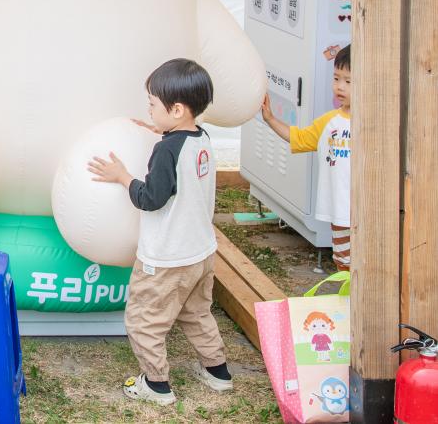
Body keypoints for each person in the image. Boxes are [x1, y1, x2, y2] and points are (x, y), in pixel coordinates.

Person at [88, 59, 232, 406]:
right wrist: (163, 132)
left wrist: (122, 175)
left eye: (153, 104)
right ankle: (218, 373)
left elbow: (150, 199)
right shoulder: (200, 137)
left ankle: (156, 384)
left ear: (177, 109)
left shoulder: (167, 149)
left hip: (167, 258)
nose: (149, 109)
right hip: (201, 252)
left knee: (144, 321)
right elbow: (181, 161)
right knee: (197, 312)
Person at [261, 44, 352, 270]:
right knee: (344, 263)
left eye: (349, 81)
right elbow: (299, 138)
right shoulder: (329, 122)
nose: (339, 87)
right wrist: (270, 119)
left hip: (370, 212)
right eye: (336, 78)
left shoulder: (376, 124)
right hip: (340, 212)